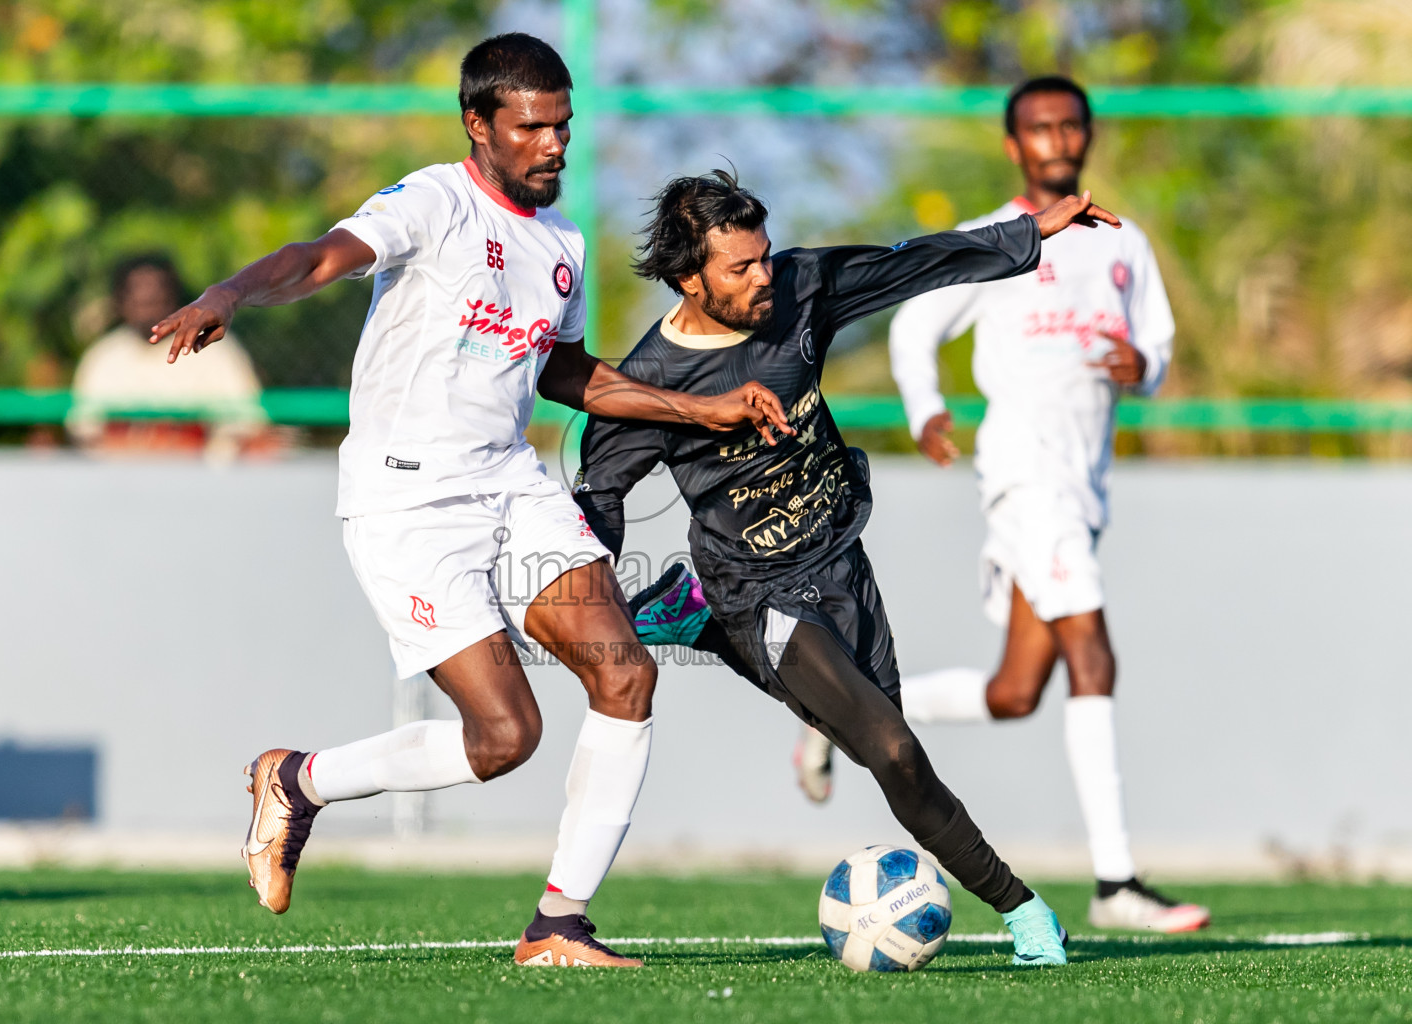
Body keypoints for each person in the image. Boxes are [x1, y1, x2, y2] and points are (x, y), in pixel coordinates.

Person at [150, 34, 790, 968]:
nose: (553, 145)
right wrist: (233, 291)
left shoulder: (563, 242)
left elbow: (566, 371)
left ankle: (558, 927)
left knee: (625, 676)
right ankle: (298, 780)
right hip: (408, 501)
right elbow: (319, 257)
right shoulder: (430, 201)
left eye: (563, 126)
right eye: (531, 127)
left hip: (509, 480)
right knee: (504, 738)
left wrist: (702, 407)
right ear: (478, 125)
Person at [577, 168, 1122, 966]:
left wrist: (1029, 233)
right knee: (895, 751)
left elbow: (913, 262)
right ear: (688, 279)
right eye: (741, 268)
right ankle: (1025, 912)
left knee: (879, 747)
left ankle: (688, 615)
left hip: (839, 556)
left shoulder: (797, 287)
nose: (765, 275)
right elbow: (599, 494)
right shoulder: (652, 382)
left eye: (764, 257)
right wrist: (584, 596)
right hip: (753, 585)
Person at [874, 76, 1207, 932]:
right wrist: (925, 408)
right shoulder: (997, 238)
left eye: (1070, 126)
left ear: (1087, 136)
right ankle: (1117, 883)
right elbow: (916, 327)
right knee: (1093, 654)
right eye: (1039, 129)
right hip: (1025, 475)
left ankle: (850, 706)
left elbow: (1157, 344)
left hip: (1085, 480)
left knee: (1017, 689)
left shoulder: (1124, 241)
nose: (1057, 140)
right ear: (1014, 145)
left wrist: (1148, 367)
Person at [69, 253, 270, 458]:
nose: (147, 309)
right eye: (139, 301)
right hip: (122, 480)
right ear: (121, 302)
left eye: (155, 299)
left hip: (198, 478)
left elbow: (247, 428)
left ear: (173, 297)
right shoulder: (103, 357)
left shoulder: (212, 349)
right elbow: (86, 434)